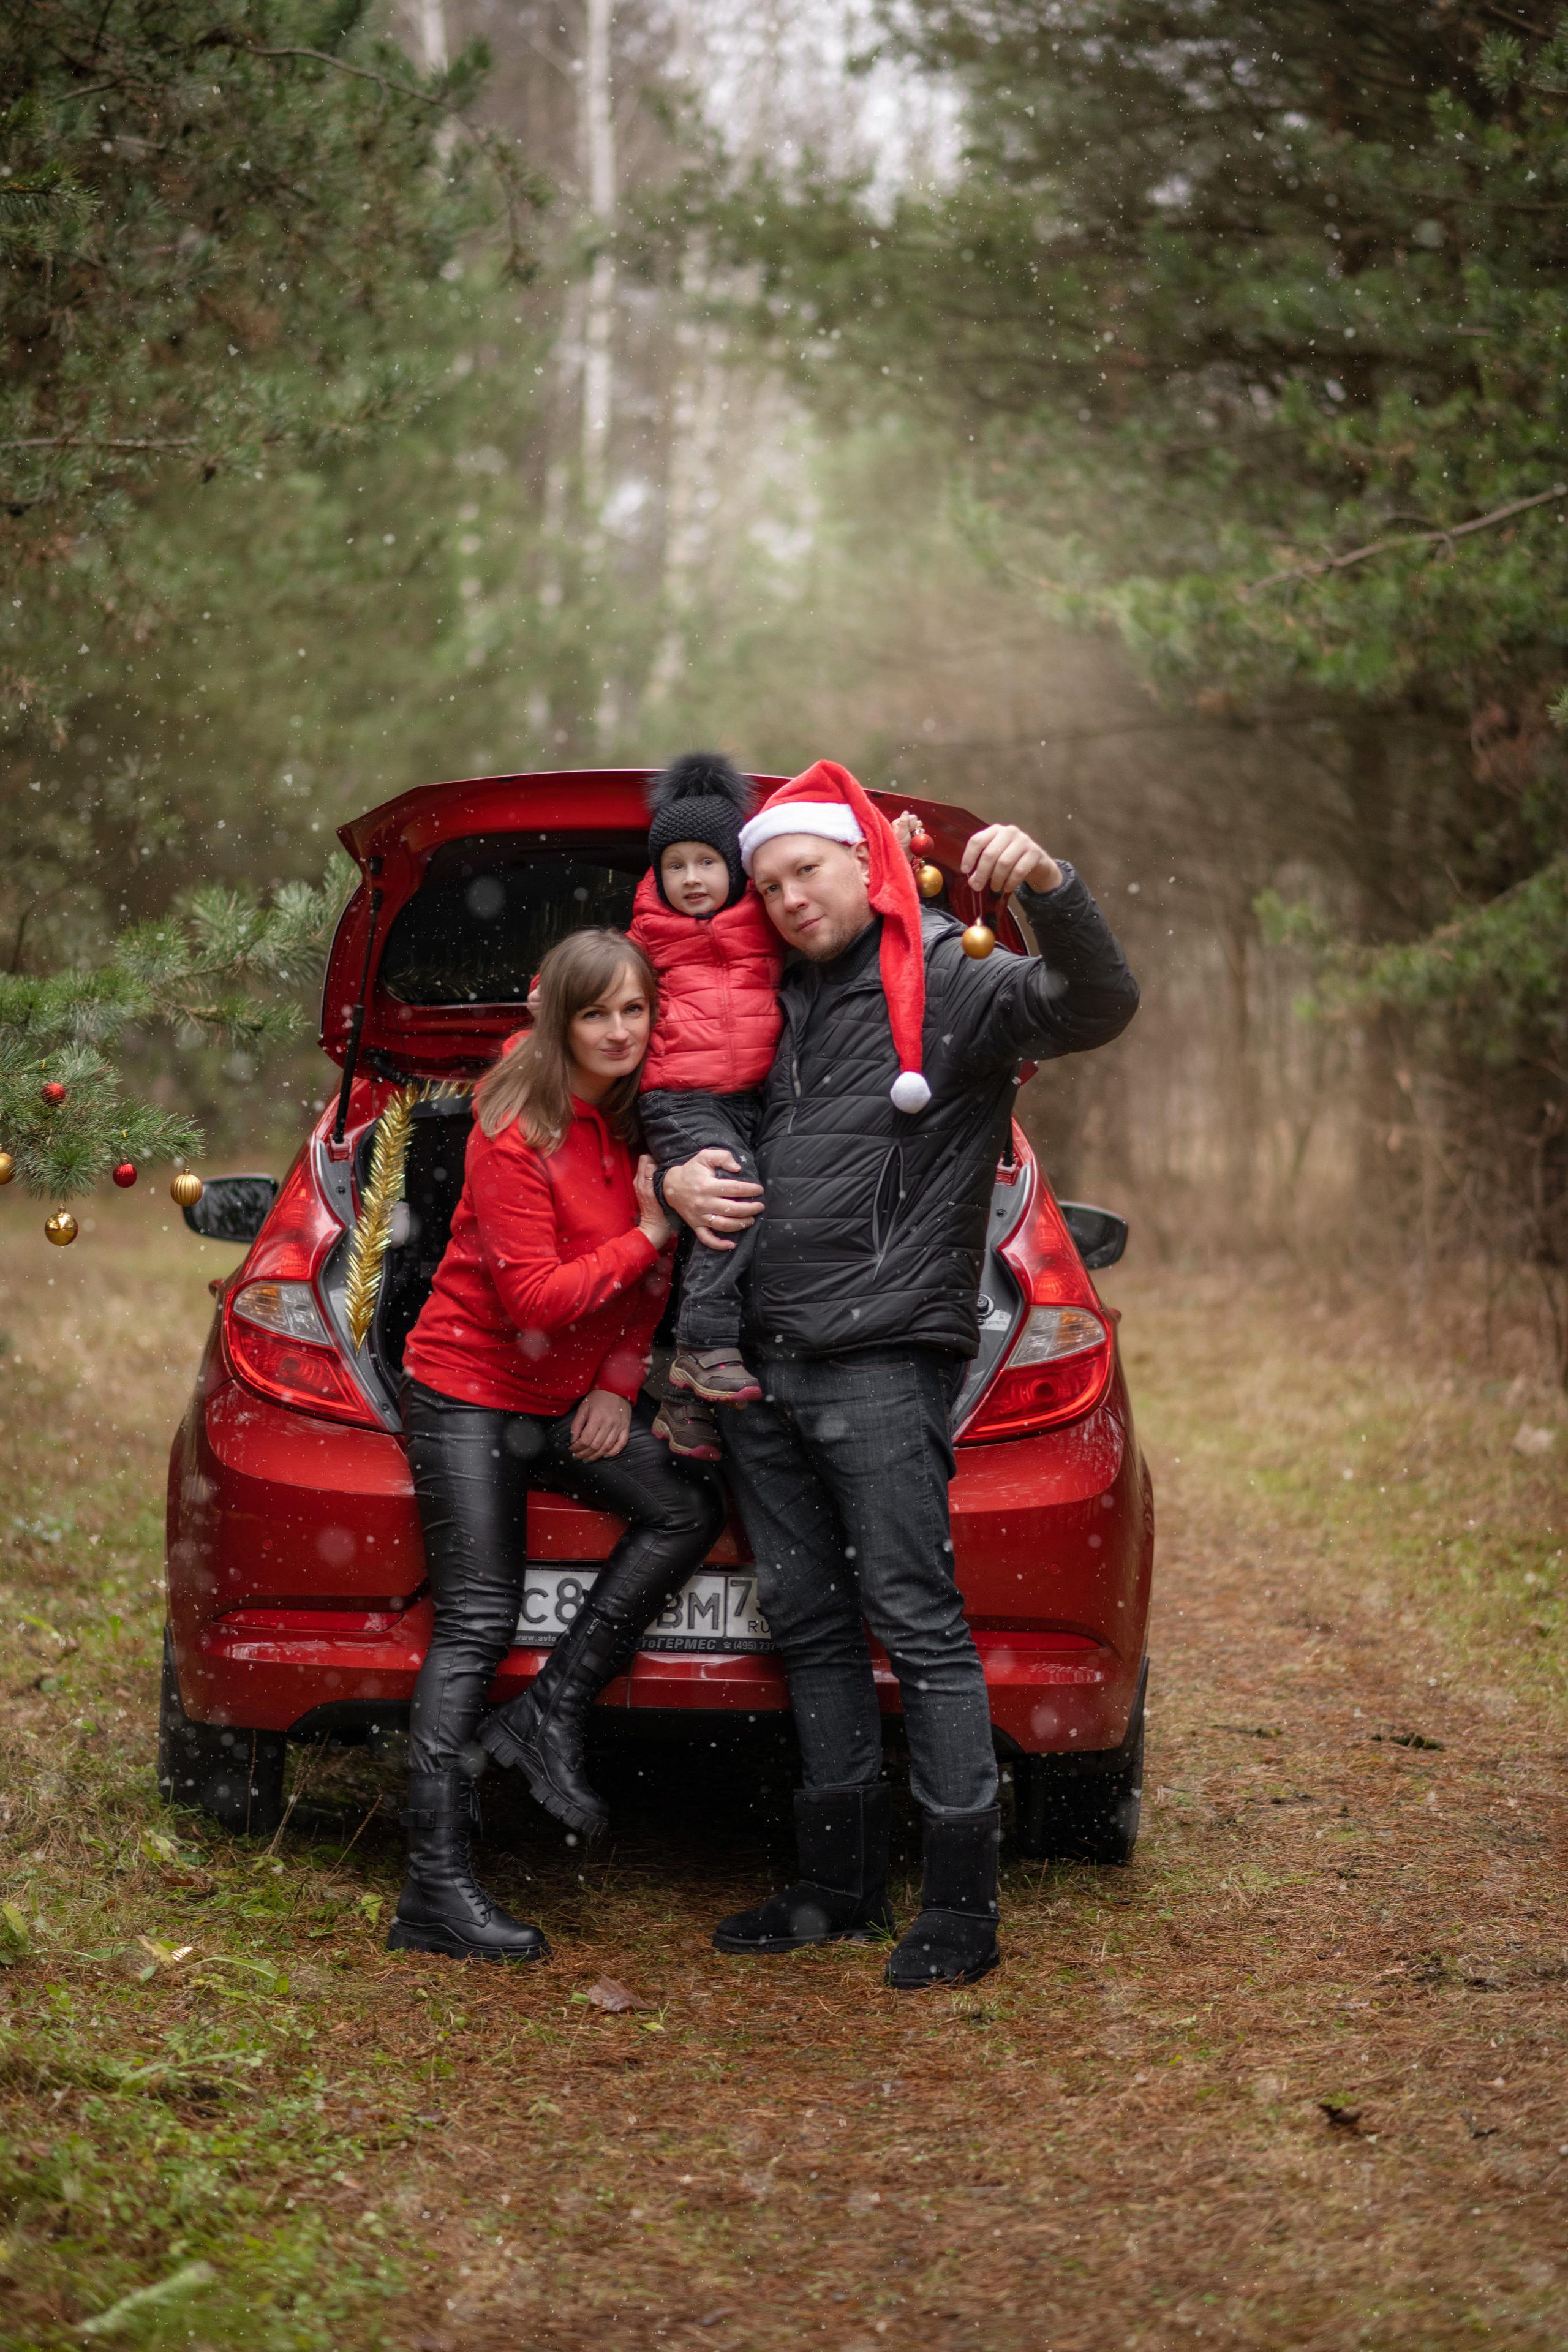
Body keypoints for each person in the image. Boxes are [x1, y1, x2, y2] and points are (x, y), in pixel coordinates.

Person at [659, 760, 1139, 1989]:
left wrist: (1051, 886)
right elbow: (683, 1099)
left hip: (878, 1364)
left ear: (860, 862)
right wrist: (673, 1175)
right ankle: (835, 1888)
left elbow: (1094, 1003)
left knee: (919, 1630)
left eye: (803, 871)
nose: (784, 900)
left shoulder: (951, 977)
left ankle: (962, 1912)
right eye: (764, 885)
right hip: (756, 1369)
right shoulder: (776, 999)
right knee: (812, 1629)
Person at [390, 928, 725, 1964]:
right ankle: (433, 1893)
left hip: (563, 1394)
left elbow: (645, 1294)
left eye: (636, 1011)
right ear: (559, 1021)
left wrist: (616, 1381)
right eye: (597, 1014)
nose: (621, 1032)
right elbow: (532, 1295)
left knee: (683, 1510)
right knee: (478, 1618)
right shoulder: (513, 1126)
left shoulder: (641, 1120)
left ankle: (552, 1710)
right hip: (469, 1388)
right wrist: (653, 1231)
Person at [628, 751, 786, 1462]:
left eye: (707, 863)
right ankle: (701, 1346)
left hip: (751, 1101)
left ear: (737, 870)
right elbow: (589, 974)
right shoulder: (646, 940)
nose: (692, 879)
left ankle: (682, 1404)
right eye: (676, 865)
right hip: (679, 1098)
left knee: (718, 1232)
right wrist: (547, 990)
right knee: (730, 1196)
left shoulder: (768, 928)